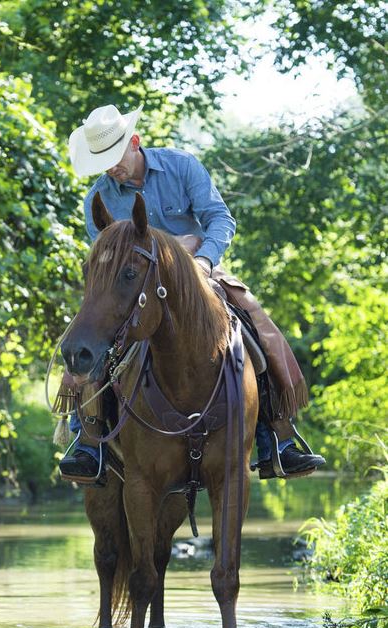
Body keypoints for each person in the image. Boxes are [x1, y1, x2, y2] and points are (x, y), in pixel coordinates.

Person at [59, 104, 325, 484]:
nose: (110, 167)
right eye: (101, 161)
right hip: (133, 291)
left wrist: (200, 260)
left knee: (255, 322)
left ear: (134, 142)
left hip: (199, 277)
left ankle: (276, 436)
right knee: (90, 337)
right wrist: (176, 244)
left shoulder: (181, 167)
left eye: (114, 157)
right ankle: (87, 441)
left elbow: (220, 218)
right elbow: (107, 260)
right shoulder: (97, 200)